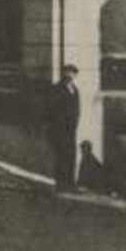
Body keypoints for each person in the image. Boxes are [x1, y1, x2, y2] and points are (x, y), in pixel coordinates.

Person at [46, 63, 82, 193]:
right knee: (61, 157)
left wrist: (75, 124)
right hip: (60, 130)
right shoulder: (56, 89)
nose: (70, 75)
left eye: (73, 72)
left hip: (71, 130)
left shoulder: (75, 89)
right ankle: (61, 185)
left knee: (71, 156)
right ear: (63, 74)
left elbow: (77, 109)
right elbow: (53, 110)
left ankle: (70, 184)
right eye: (68, 72)